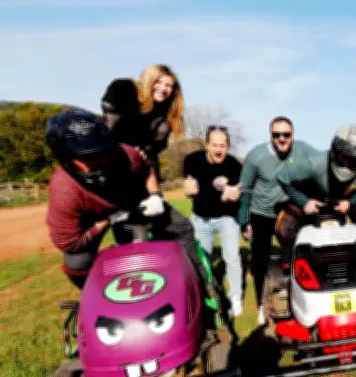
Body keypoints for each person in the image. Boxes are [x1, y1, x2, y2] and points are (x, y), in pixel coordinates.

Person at [45, 110, 213, 297]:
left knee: (182, 227)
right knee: (77, 263)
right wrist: (108, 220)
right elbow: (70, 242)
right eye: (89, 157)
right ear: (65, 156)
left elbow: (147, 168)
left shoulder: (125, 154)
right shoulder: (64, 190)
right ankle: (99, 298)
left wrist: (155, 196)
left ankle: (200, 284)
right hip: (93, 218)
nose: (101, 159)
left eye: (103, 151)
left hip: (132, 200)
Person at [273, 123, 356, 305]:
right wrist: (303, 202)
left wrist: (351, 202)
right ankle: (288, 265)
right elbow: (282, 176)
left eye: (354, 161)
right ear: (334, 149)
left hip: (343, 199)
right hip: (310, 196)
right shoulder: (313, 163)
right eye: (343, 157)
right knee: (284, 228)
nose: (346, 164)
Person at [238, 116, 318, 325]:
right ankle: (262, 305)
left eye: (286, 134)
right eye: (277, 134)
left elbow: (322, 165)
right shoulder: (256, 155)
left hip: (290, 213)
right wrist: (244, 221)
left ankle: (298, 299)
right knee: (260, 261)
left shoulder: (303, 149)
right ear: (271, 135)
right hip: (261, 214)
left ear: (293, 135)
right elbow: (245, 188)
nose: (282, 138)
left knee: (297, 257)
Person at [183, 125, 244, 317]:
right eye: (215, 145)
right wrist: (188, 191)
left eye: (222, 146)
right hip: (201, 219)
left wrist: (232, 196)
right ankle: (206, 295)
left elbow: (239, 193)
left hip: (227, 218)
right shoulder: (192, 160)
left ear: (228, 147)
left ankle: (235, 297)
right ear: (207, 145)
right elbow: (188, 186)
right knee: (203, 259)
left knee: (232, 257)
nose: (218, 149)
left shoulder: (235, 166)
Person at [100, 64, 186, 183]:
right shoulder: (126, 89)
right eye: (158, 82)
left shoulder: (167, 112)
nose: (163, 88)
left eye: (168, 85)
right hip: (113, 155)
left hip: (142, 164)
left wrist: (146, 151)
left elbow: (158, 143)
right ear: (149, 80)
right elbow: (111, 125)